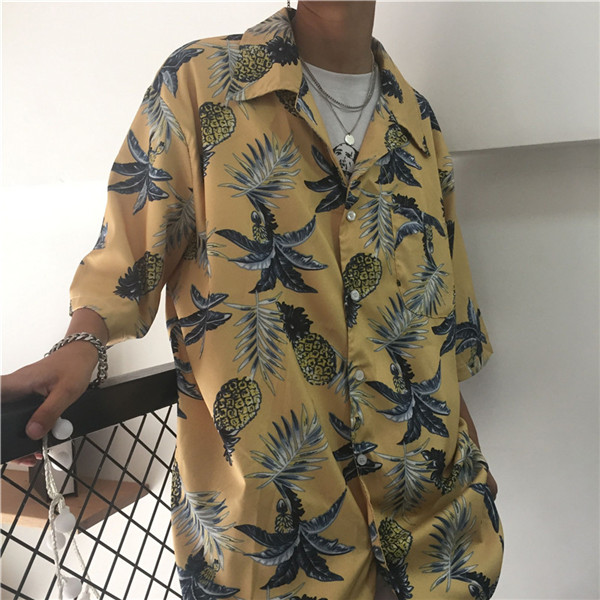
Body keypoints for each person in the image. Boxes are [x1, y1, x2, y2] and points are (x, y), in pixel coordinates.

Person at [2, 2, 503, 598]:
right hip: (270, 553)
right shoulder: (201, 83)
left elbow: (446, 321)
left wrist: (478, 472)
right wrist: (82, 342)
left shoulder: (418, 123)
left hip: (442, 548)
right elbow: (130, 251)